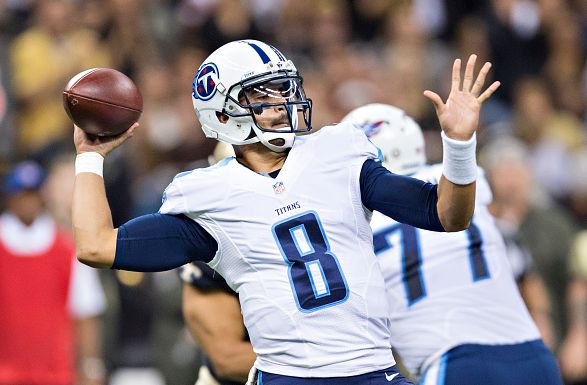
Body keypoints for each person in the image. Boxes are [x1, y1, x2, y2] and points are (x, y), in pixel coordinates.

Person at [71, 40, 499, 384]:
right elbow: (96, 245)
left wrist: (459, 146)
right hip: (290, 377)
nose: (282, 103)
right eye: (262, 94)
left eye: (285, 89)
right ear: (222, 112)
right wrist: (90, 157)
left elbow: (447, 215)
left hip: (373, 371)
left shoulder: (337, 154)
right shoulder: (208, 196)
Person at [341, 103, 563, 385]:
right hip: (534, 356)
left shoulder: (358, 215)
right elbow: (520, 266)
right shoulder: (469, 184)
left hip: (455, 362)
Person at [0, 161, 107, 385]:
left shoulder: (67, 249)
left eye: (32, 194)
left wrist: (91, 366)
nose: (27, 202)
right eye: (22, 194)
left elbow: (85, 312)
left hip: (56, 374)